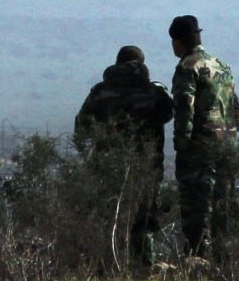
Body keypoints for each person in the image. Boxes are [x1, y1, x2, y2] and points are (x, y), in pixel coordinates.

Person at [73, 44, 174, 265]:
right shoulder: (153, 92)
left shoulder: (100, 92)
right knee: (144, 217)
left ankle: (107, 263)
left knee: (109, 214)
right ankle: (143, 265)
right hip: (146, 165)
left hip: (108, 166)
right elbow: (169, 113)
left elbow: (81, 128)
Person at [167, 15, 239, 257]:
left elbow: (184, 107)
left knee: (196, 204)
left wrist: (182, 142)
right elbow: (238, 112)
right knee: (224, 203)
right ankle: (225, 260)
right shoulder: (221, 65)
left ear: (178, 42)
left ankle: (197, 259)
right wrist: (227, 134)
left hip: (200, 148)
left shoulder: (188, 68)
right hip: (227, 145)